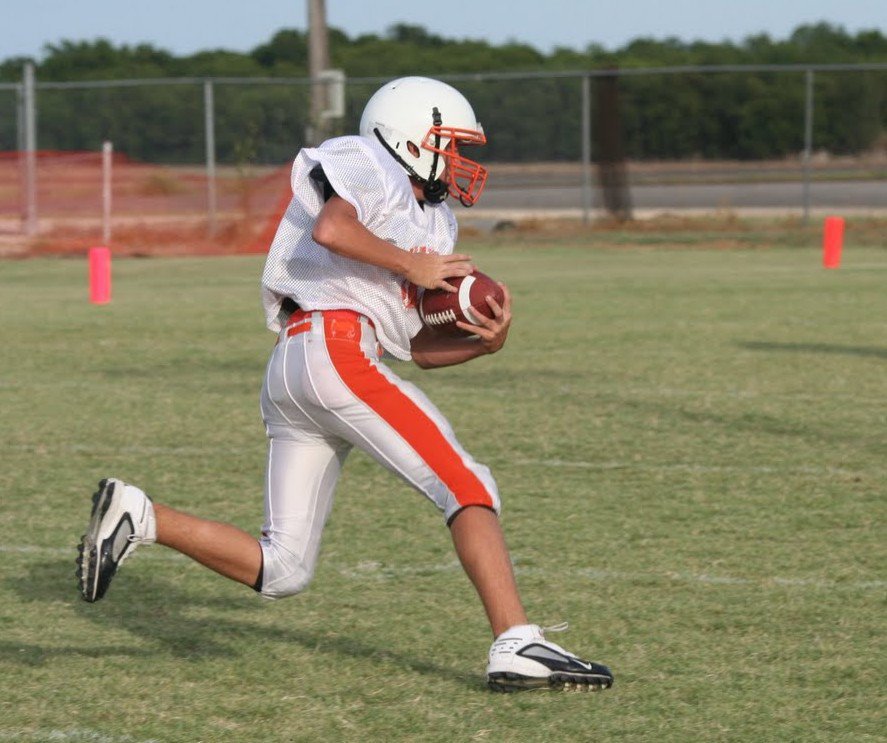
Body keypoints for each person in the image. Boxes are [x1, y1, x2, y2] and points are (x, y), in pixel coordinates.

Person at [76, 76, 613, 693]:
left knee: (284, 569)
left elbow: (413, 347)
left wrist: (483, 343)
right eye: (450, 144)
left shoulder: (434, 220)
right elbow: (333, 228)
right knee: (465, 483)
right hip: (331, 350)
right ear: (408, 137)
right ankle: (517, 642)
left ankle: (140, 515)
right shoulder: (368, 160)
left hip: (302, 366)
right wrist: (412, 263)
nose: (461, 161)